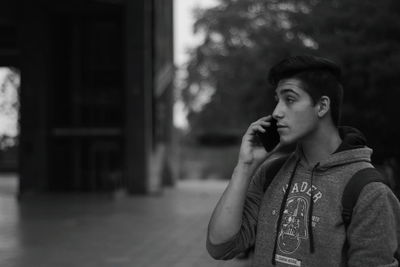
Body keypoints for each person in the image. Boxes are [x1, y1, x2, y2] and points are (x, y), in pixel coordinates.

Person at [206, 55, 400, 266]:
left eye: (289, 99)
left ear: (322, 106)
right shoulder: (271, 173)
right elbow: (220, 247)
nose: (276, 112)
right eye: (277, 100)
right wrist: (245, 167)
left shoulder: (368, 191)